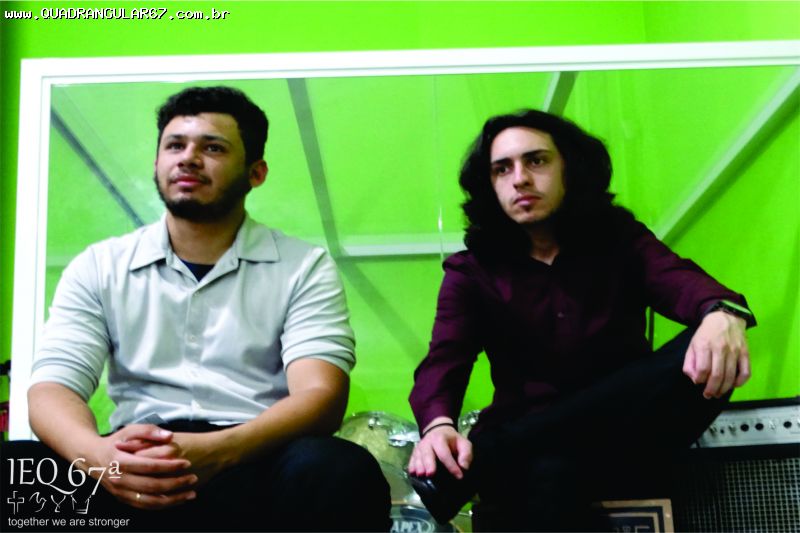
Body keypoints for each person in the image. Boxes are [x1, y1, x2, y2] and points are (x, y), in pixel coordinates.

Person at [3, 86, 391, 531]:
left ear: (256, 172)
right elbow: (51, 390)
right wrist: (99, 458)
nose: (188, 158)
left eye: (213, 147)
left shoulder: (303, 266)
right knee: (15, 472)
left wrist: (221, 450)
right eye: (175, 145)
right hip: (130, 463)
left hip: (253, 459)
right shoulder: (99, 265)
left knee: (339, 469)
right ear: (156, 165)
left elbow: (320, 396)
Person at [407, 109, 755, 531]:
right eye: (502, 169)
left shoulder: (619, 238)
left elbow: (680, 282)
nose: (520, 179)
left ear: (569, 167)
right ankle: (515, 448)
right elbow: (444, 359)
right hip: (541, 459)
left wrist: (723, 312)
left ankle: (496, 452)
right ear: (490, 185)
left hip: (627, 429)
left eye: (536, 161)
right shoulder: (471, 271)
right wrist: (438, 426)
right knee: (552, 473)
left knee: (703, 350)